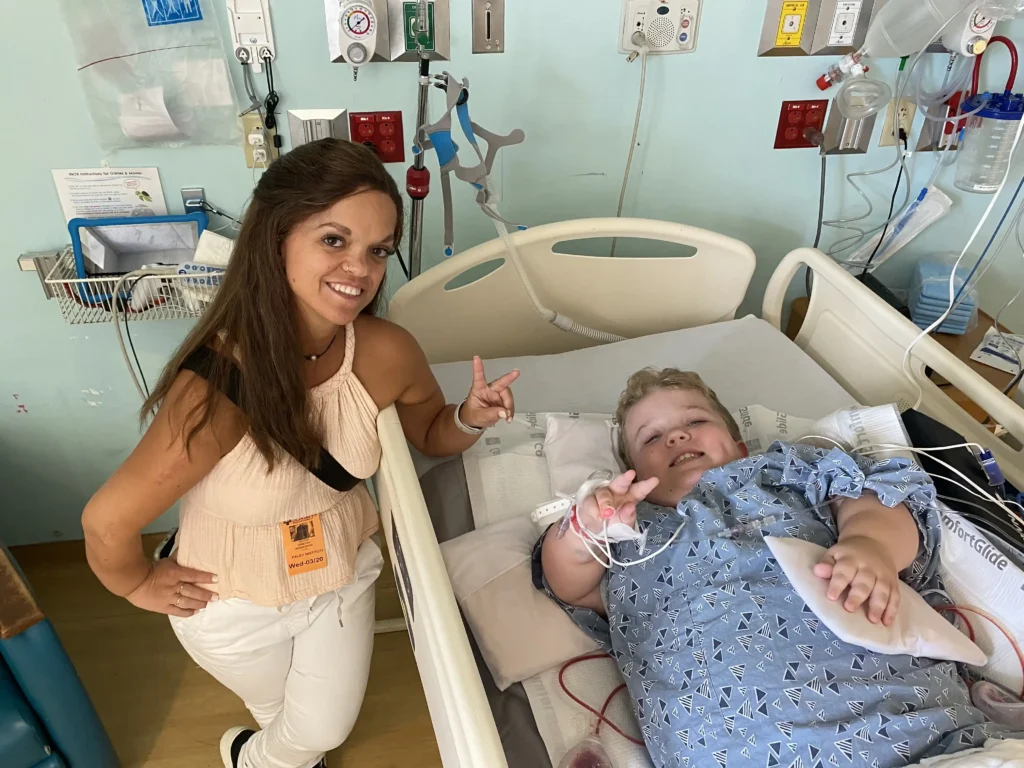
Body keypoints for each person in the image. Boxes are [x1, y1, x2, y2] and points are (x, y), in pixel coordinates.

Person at [82, 139, 518, 768]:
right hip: (233, 601)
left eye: (377, 250)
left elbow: (427, 430)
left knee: (321, 730)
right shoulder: (219, 389)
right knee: (290, 725)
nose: (360, 270)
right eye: (334, 241)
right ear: (278, 238)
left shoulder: (385, 351)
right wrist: (138, 585)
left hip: (337, 574)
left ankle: (252, 759)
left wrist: (469, 418)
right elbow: (105, 521)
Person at [537, 368, 1020, 768]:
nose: (677, 436)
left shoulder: (782, 474)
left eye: (695, 421)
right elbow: (568, 579)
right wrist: (585, 527)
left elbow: (878, 498)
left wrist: (868, 542)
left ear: (740, 445)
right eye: (652, 438)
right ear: (635, 475)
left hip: (912, 731)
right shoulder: (629, 536)